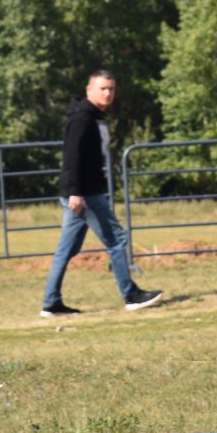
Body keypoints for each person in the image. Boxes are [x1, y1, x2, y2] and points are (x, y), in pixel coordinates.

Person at [40, 70, 163, 317]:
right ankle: (131, 296)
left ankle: (51, 303)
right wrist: (76, 192)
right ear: (89, 90)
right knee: (116, 240)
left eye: (111, 89)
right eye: (102, 88)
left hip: (85, 191)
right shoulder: (83, 118)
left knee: (66, 250)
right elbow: (71, 158)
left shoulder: (95, 117)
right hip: (84, 194)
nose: (107, 93)